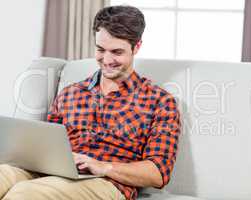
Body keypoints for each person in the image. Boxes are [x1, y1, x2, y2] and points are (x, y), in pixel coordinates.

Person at [0, 5, 180, 200]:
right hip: (56, 172)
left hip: (105, 182)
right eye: (101, 50)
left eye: (117, 52)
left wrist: (102, 166)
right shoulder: (70, 93)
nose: (107, 60)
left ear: (136, 47)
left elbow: (158, 174)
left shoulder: (159, 102)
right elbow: (46, 146)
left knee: (27, 193)